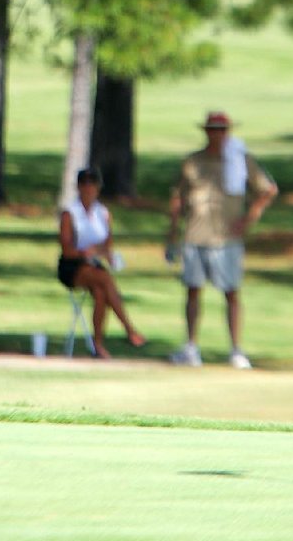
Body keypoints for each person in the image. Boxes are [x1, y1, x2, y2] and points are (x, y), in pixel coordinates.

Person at [166, 112, 277, 368]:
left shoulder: (239, 161)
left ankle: (236, 349)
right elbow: (178, 199)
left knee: (231, 293)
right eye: (213, 129)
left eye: (221, 129)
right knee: (193, 291)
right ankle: (191, 347)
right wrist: (172, 231)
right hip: (195, 234)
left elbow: (267, 190)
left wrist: (249, 218)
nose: (217, 134)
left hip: (226, 238)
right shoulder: (193, 162)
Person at [58, 167, 146, 360]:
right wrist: (84, 252)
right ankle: (129, 330)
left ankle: (98, 345)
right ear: (79, 187)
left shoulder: (102, 213)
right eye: (84, 185)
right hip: (73, 266)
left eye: (92, 185)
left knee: (100, 292)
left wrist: (106, 255)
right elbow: (66, 249)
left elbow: (107, 245)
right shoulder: (70, 213)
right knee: (104, 279)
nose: (88, 189)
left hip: (95, 264)